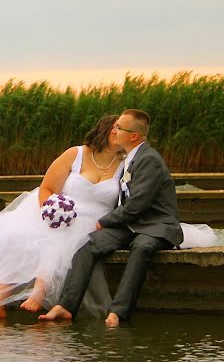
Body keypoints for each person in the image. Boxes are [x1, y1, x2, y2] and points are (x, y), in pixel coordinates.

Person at [0, 114, 126, 321]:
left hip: (95, 219)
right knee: (11, 235)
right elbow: (47, 188)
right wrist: (51, 210)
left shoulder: (126, 163)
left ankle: (40, 290)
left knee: (67, 235)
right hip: (54, 208)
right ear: (105, 130)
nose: (120, 133)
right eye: (117, 128)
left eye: (124, 129)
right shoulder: (76, 154)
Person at [39, 108, 182, 327]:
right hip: (132, 224)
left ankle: (118, 311)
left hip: (155, 225)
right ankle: (66, 306)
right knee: (89, 244)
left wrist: (103, 221)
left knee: (142, 247)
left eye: (118, 127)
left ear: (133, 136)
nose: (113, 130)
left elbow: (137, 205)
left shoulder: (149, 160)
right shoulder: (128, 158)